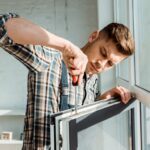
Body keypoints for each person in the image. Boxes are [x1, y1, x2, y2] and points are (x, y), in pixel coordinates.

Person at [0, 13, 134, 150]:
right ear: (93, 37)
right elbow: (3, 26)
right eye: (103, 53)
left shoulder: (92, 80)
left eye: (110, 64)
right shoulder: (52, 60)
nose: (101, 64)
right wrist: (66, 47)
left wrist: (101, 101)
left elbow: (80, 125)